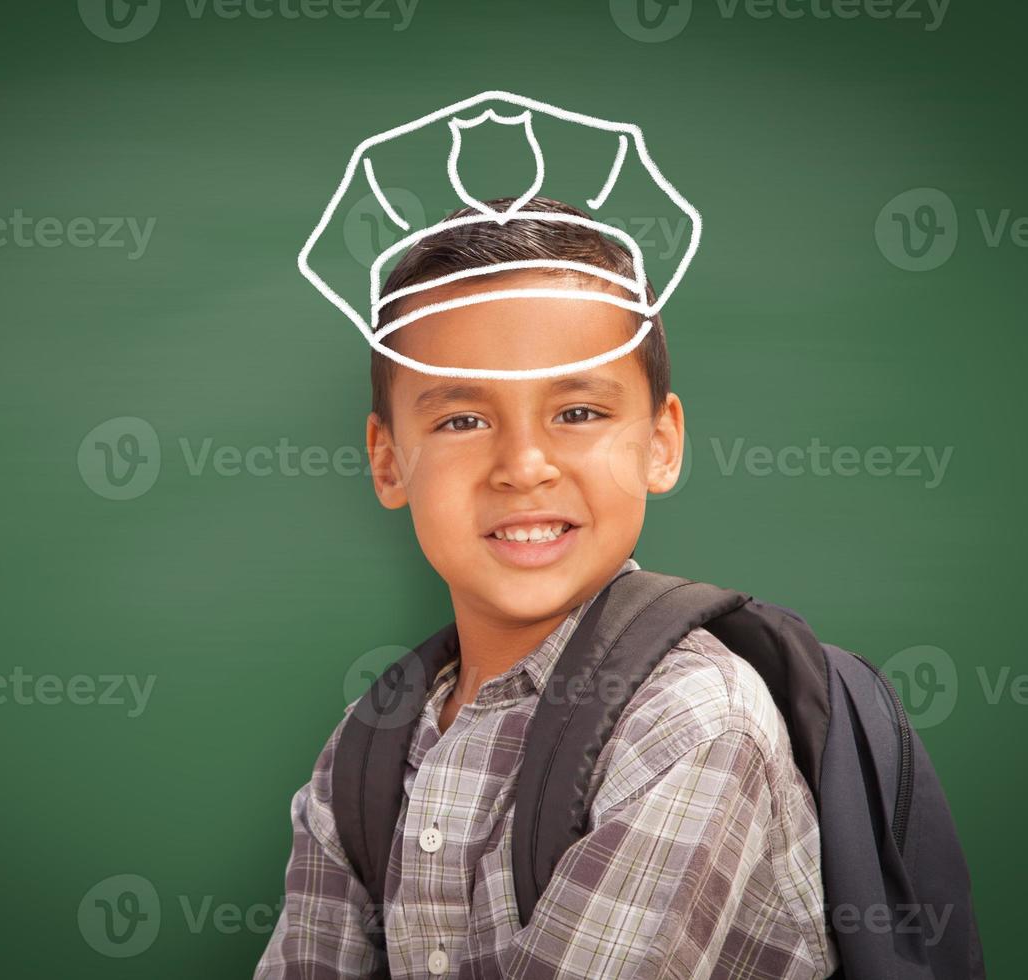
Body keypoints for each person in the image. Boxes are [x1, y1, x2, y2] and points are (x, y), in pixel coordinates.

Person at [255, 196, 838, 979]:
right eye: (462, 420)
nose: (524, 464)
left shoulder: (688, 723)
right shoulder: (365, 752)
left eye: (577, 411)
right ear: (389, 460)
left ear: (660, 445)